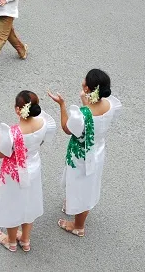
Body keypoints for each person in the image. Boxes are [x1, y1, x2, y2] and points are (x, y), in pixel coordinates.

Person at [48, 68, 123, 238]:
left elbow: (68, 129)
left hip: (81, 157)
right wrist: (86, 101)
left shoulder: (82, 114)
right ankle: (74, 208)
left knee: (81, 189)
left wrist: (62, 105)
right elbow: (93, 121)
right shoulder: (110, 105)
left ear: (89, 88)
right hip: (97, 151)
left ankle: (78, 226)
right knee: (87, 185)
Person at [0, 90, 56, 253]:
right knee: (28, 203)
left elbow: (0, 153)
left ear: (17, 109)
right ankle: (25, 240)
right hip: (33, 168)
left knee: (12, 205)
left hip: (14, 174)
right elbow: (42, 141)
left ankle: (11, 241)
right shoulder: (43, 122)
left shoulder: (13, 132)